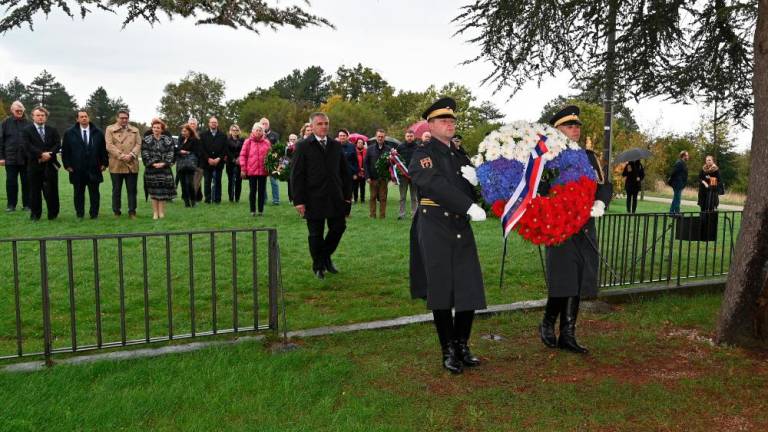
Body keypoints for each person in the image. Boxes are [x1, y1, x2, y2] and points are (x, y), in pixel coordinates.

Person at [408, 97, 487, 374]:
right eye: (444, 120)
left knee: (468, 285)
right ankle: (448, 349)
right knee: (441, 288)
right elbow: (434, 185)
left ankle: (463, 344)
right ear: (430, 124)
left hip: (459, 226)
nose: (450, 123)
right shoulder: (423, 153)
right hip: (435, 225)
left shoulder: (459, 154)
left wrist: (480, 183)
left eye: (452, 120)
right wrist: (468, 205)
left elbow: (470, 190)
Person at [540, 105, 612, 355]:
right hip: (559, 225)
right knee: (563, 277)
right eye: (569, 126)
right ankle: (548, 322)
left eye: (577, 126)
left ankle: (568, 333)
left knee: (579, 279)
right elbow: (539, 190)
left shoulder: (589, 157)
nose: (575, 130)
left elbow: (604, 185)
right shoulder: (547, 156)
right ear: (557, 130)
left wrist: (601, 202)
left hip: (585, 226)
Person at [291, 112, 352, 280]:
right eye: (320, 124)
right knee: (315, 234)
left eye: (326, 123)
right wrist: (298, 201)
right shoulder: (303, 146)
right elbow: (296, 175)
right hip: (313, 198)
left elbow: (345, 173)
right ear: (312, 126)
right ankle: (318, 266)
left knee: (339, 228)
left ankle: (324, 257)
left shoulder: (336, 145)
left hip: (335, 197)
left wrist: (347, 196)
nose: (324, 126)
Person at [61, 110, 108, 219]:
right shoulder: (69, 133)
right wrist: (67, 165)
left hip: (94, 168)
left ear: (89, 118)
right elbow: (65, 151)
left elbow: (103, 150)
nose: (84, 118)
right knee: (78, 193)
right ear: (77, 119)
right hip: (77, 169)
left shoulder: (98, 132)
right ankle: (80, 214)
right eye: (81, 117)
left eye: (86, 116)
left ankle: (94, 214)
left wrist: (104, 163)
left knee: (94, 194)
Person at [21, 106, 61, 221]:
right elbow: (26, 146)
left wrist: (50, 154)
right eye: (38, 115)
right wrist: (41, 154)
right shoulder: (26, 130)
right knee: (34, 191)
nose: (40, 117)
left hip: (50, 165)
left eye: (42, 115)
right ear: (33, 116)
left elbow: (58, 144)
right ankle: (35, 215)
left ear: (46, 117)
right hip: (34, 165)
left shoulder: (52, 130)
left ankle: (53, 214)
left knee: (52, 191)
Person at [105, 108, 141, 219]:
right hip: (116, 164)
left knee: (132, 190)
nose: (124, 120)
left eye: (126, 118)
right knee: (116, 190)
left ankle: (132, 212)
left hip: (132, 164)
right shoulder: (110, 129)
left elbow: (139, 144)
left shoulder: (135, 130)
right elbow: (109, 145)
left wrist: (132, 155)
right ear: (117, 118)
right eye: (122, 118)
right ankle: (116, 212)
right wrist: (121, 156)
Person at [142, 119, 176, 219]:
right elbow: (144, 153)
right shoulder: (146, 139)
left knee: (162, 191)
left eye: (158, 128)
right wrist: (153, 163)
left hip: (164, 170)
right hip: (151, 170)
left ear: (162, 129)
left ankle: (161, 213)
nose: (156, 129)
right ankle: (155, 213)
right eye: (154, 127)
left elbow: (171, 152)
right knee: (153, 192)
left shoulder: (168, 140)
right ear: (152, 128)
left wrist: (164, 163)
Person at [0, 100, 30, 212]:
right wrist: (1, 157)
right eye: (17, 110)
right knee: (11, 183)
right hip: (10, 159)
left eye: (21, 110)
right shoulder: (5, 123)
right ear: (12, 110)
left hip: (26, 159)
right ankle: (11, 205)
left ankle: (27, 205)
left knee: (27, 182)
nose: (19, 112)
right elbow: (1, 141)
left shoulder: (29, 123)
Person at [239, 123, 271, 216]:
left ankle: (261, 210)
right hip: (251, 171)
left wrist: (270, 168)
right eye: (256, 130)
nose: (258, 132)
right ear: (253, 131)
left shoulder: (267, 142)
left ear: (263, 132)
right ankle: (252, 210)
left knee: (261, 191)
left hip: (263, 171)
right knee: (252, 191)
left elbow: (271, 156)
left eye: (260, 130)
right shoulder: (247, 142)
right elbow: (243, 156)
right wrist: (243, 169)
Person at [364, 129, 392, 218]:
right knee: (372, 197)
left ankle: (382, 216)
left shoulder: (389, 149)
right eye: (379, 136)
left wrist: (389, 162)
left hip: (384, 178)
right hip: (373, 178)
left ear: (384, 138)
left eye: (382, 137)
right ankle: (372, 215)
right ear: (376, 137)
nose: (380, 138)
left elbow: (392, 165)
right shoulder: (370, 149)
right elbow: (366, 163)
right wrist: (367, 176)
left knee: (383, 198)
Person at [199, 116, 227, 204]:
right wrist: (208, 159)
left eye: (215, 122)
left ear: (217, 124)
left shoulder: (223, 135)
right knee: (207, 181)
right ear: (209, 124)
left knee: (218, 181)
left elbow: (225, 149)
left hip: (219, 162)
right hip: (207, 162)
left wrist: (219, 158)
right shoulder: (203, 135)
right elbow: (201, 149)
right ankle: (207, 199)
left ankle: (217, 199)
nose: (213, 124)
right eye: (212, 122)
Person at [176, 124, 202, 207]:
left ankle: (193, 201)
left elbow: (198, 152)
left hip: (190, 165)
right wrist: (180, 152)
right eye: (182, 131)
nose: (182, 133)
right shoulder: (181, 139)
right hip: (180, 165)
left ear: (189, 131)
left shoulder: (195, 140)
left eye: (185, 131)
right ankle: (186, 202)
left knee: (189, 183)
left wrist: (187, 152)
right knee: (183, 184)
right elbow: (176, 150)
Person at [396, 130, 418, 218]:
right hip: (403, 175)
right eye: (408, 136)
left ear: (414, 137)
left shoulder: (418, 147)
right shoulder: (400, 147)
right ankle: (401, 214)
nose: (409, 138)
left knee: (414, 197)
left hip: (414, 176)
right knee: (402, 197)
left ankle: (414, 214)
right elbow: (396, 160)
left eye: (411, 136)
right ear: (405, 137)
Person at [260, 117, 281, 205]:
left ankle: (276, 200)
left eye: (266, 123)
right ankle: (264, 199)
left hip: (272, 162)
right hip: (261, 161)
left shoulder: (275, 135)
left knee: (274, 181)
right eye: (263, 123)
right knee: (262, 182)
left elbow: (278, 148)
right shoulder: (258, 134)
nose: (265, 125)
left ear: (269, 125)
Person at [226, 124, 244, 203]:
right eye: (233, 130)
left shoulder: (242, 140)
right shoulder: (227, 140)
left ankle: (237, 198)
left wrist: (239, 158)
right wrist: (233, 159)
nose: (235, 131)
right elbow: (227, 151)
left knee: (239, 181)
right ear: (230, 131)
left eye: (236, 130)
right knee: (231, 181)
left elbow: (243, 150)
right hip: (230, 163)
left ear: (239, 131)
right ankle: (231, 198)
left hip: (240, 163)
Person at [352, 138, 367, 203]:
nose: (360, 144)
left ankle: (362, 199)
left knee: (362, 187)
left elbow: (367, 161)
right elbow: (353, 162)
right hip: (356, 172)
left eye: (361, 142)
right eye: (358, 142)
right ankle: (355, 199)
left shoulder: (366, 151)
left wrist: (364, 168)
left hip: (364, 172)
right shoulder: (354, 151)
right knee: (355, 186)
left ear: (363, 144)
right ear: (356, 143)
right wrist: (358, 169)